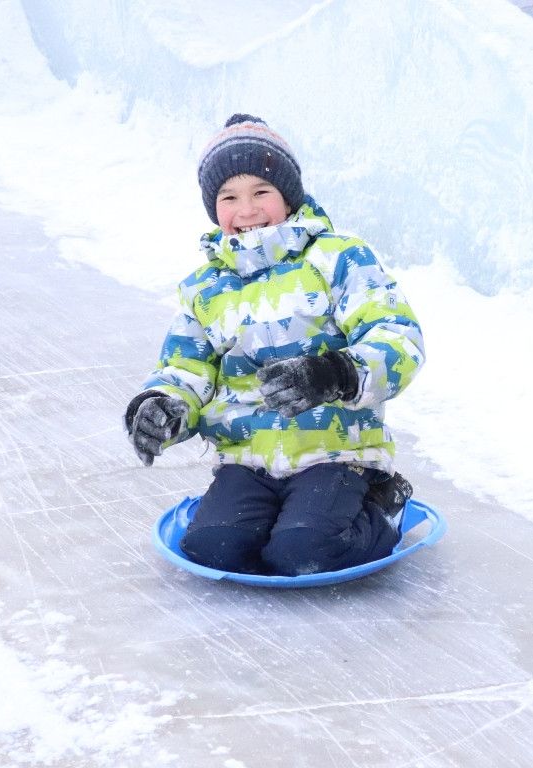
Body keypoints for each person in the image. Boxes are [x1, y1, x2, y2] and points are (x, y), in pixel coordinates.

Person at [124, 114, 425, 576]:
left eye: (261, 192)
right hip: (247, 458)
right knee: (211, 549)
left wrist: (335, 373)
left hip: (335, 451)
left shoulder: (338, 257)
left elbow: (396, 334)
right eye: (229, 197)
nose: (246, 211)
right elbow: (187, 368)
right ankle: (271, 520)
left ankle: (382, 503)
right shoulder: (205, 288)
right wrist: (164, 405)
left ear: (289, 196)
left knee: (305, 551)